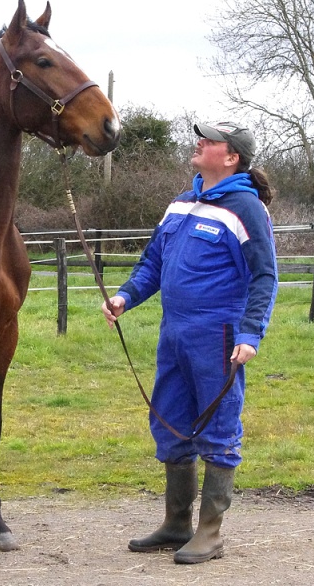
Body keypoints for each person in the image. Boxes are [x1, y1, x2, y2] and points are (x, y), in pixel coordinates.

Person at [102, 121, 278, 564]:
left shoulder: (246, 208)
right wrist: (126, 296)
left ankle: (210, 534)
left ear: (232, 156)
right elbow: (153, 263)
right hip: (174, 333)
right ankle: (176, 524)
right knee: (170, 423)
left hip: (217, 336)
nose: (199, 143)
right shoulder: (181, 203)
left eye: (210, 140)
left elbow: (264, 276)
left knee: (218, 429)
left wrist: (250, 334)